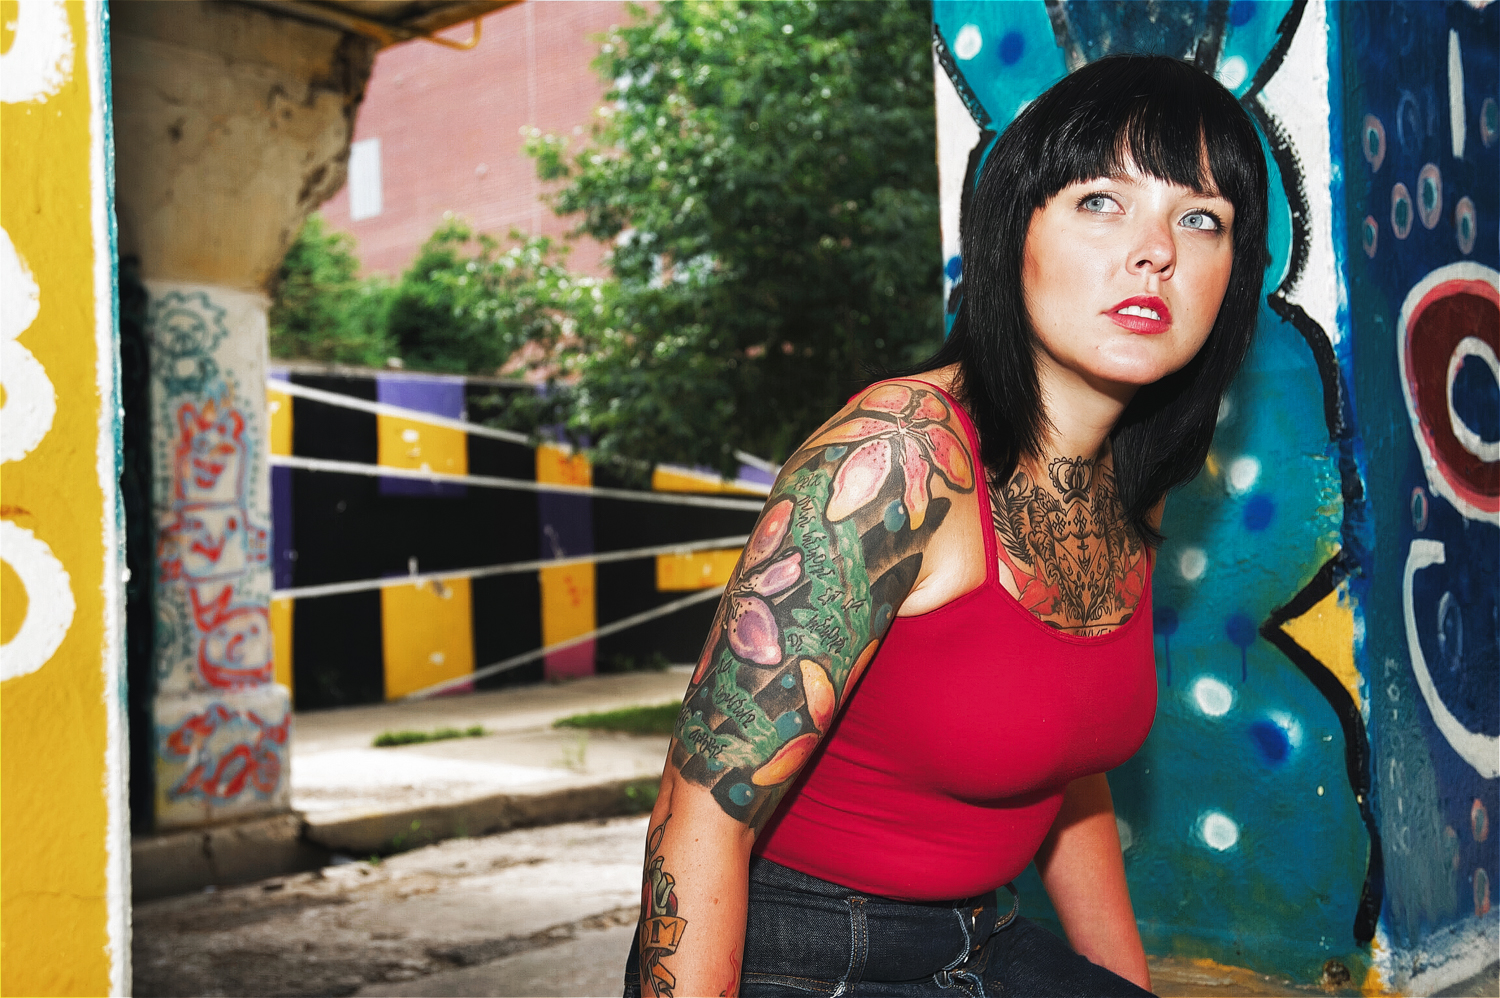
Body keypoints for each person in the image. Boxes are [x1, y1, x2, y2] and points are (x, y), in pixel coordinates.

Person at [625, 53, 1270, 998]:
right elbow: (697, 815)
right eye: (1101, 200)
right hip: (792, 953)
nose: (1155, 249)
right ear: (1015, 232)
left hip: (981, 941)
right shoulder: (896, 457)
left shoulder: (1130, 486)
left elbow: (1061, 768)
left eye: (1200, 218)